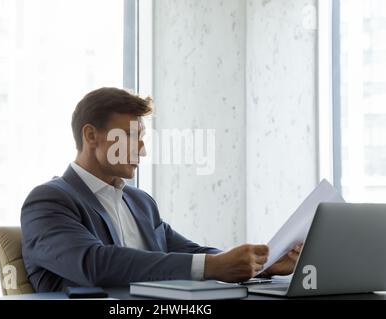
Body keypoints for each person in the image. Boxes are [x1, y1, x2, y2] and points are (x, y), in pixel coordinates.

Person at [21, 87, 301, 292]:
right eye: (131, 136)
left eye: (141, 138)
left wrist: (263, 263)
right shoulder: (49, 200)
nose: (142, 150)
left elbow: (190, 251)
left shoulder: (140, 201)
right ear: (91, 136)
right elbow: (94, 263)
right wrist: (212, 267)